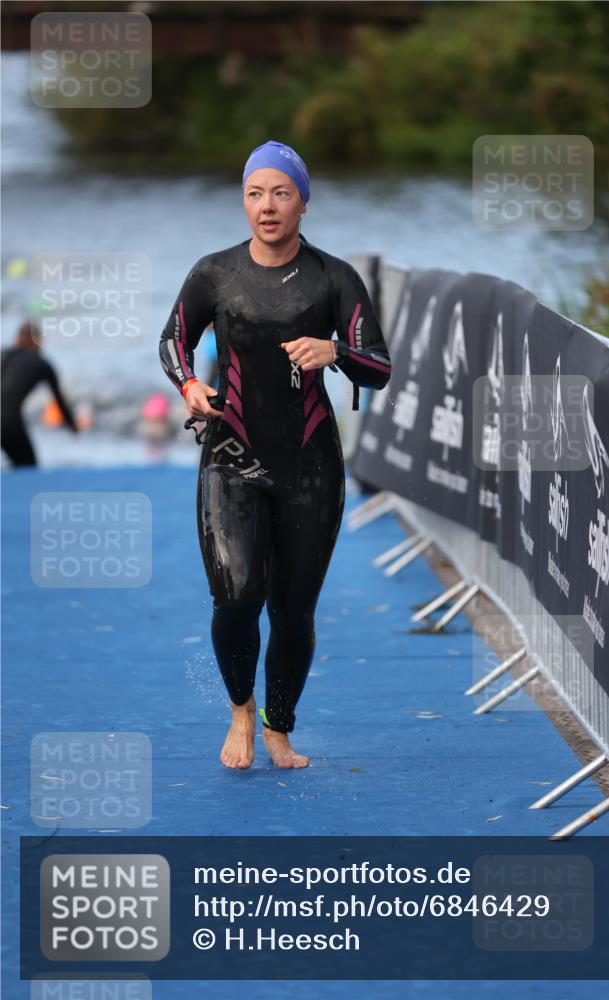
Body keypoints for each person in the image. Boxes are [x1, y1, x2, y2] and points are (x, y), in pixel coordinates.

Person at [159, 139, 391, 770]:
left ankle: (278, 727)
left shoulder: (334, 278)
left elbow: (379, 368)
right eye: (256, 193)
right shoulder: (214, 273)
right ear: (244, 200)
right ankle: (240, 710)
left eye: (281, 192)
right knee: (236, 597)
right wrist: (189, 385)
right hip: (230, 456)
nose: (268, 205)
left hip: (310, 467)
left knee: (293, 613)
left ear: (303, 202)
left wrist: (335, 352)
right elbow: (174, 339)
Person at [1, 320, 78, 467]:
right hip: (8, 421)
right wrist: (72, 425)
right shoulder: (42, 363)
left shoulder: (2, 354)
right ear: (38, 341)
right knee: (27, 466)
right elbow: (59, 400)